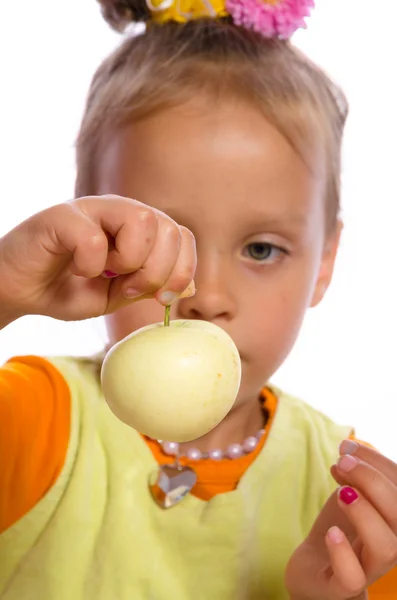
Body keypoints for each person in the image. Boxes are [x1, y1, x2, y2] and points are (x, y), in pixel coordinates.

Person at [0, 1, 396, 598]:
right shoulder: (33, 421)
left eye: (261, 250)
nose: (205, 297)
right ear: (93, 229)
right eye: (158, 238)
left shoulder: (354, 503)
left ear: (326, 262)